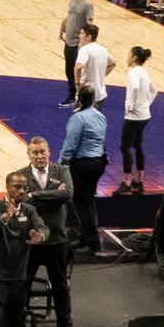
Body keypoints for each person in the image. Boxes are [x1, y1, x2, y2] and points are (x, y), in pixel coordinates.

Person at [16, 136, 78, 327]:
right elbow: (20, 200)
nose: (40, 156)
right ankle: (18, 326)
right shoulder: (21, 175)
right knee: (22, 284)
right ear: (29, 155)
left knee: (61, 287)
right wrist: (54, 195)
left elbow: (68, 194)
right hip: (31, 242)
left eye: (43, 151)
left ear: (49, 152)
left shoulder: (62, 171)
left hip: (57, 241)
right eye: (35, 152)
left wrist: (34, 196)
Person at [0, 172, 44, 327]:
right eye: (17, 187)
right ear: (7, 187)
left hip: (18, 278)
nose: (22, 191)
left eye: (25, 187)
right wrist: (6, 217)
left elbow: (43, 227)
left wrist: (41, 236)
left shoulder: (29, 210)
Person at [57, 84, 107, 266]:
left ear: (79, 99)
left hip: (83, 165)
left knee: (80, 203)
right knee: (88, 201)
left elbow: (70, 145)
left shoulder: (77, 119)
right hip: (99, 163)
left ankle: (93, 242)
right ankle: (87, 238)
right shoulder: (100, 116)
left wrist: (60, 166)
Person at [119, 46, 155, 196]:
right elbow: (154, 90)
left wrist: (131, 106)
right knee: (138, 145)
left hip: (133, 116)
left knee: (125, 147)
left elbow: (134, 88)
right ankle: (139, 180)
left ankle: (127, 181)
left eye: (128, 54)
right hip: (144, 115)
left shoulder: (133, 72)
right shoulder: (144, 72)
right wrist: (146, 104)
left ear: (133, 57)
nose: (127, 57)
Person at [58, 0, 93, 105]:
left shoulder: (87, 4)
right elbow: (69, 17)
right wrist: (63, 26)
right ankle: (72, 95)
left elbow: (90, 24)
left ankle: (82, 96)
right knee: (68, 69)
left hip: (79, 44)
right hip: (69, 41)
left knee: (78, 71)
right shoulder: (71, 2)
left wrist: (86, 41)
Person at [73, 23, 114, 104]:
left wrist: (77, 84)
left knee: (79, 116)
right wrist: (101, 75)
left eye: (82, 33)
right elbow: (113, 64)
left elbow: (78, 67)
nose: (79, 36)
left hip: (86, 93)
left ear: (89, 37)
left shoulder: (85, 49)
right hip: (100, 94)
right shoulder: (103, 49)